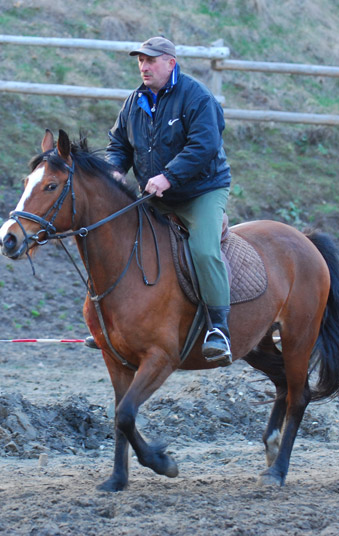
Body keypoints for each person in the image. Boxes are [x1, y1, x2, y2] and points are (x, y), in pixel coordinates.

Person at [91, 36, 233, 364]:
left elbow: (205, 145)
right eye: (140, 60)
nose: (144, 66)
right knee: (120, 241)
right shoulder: (133, 102)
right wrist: (114, 171)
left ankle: (219, 329)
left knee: (204, 249)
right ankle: (113, 323)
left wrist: (168, 176)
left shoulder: (196, 96)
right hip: (155, 193)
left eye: (151, 60)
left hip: (202, 191)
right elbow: (118, 144)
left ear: (171, 63)